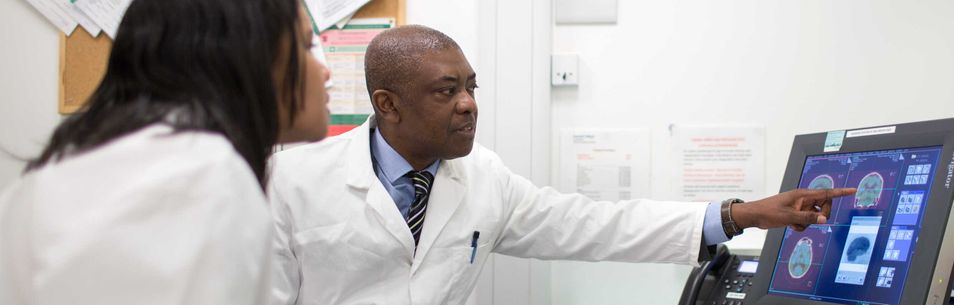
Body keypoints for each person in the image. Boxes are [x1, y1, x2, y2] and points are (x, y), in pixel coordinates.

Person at [267, 25, 855, 305]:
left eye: (471, 86)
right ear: (387, 106)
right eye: (447, 92)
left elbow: (594, 224)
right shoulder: (291, 183)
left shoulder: (483, 178)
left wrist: (742, 213)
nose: (470, 104)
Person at [0, 0, 330, 304]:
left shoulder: (62, 169)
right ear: (251, 57)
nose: (324, 71)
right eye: (304, 45)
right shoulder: (201, 177)